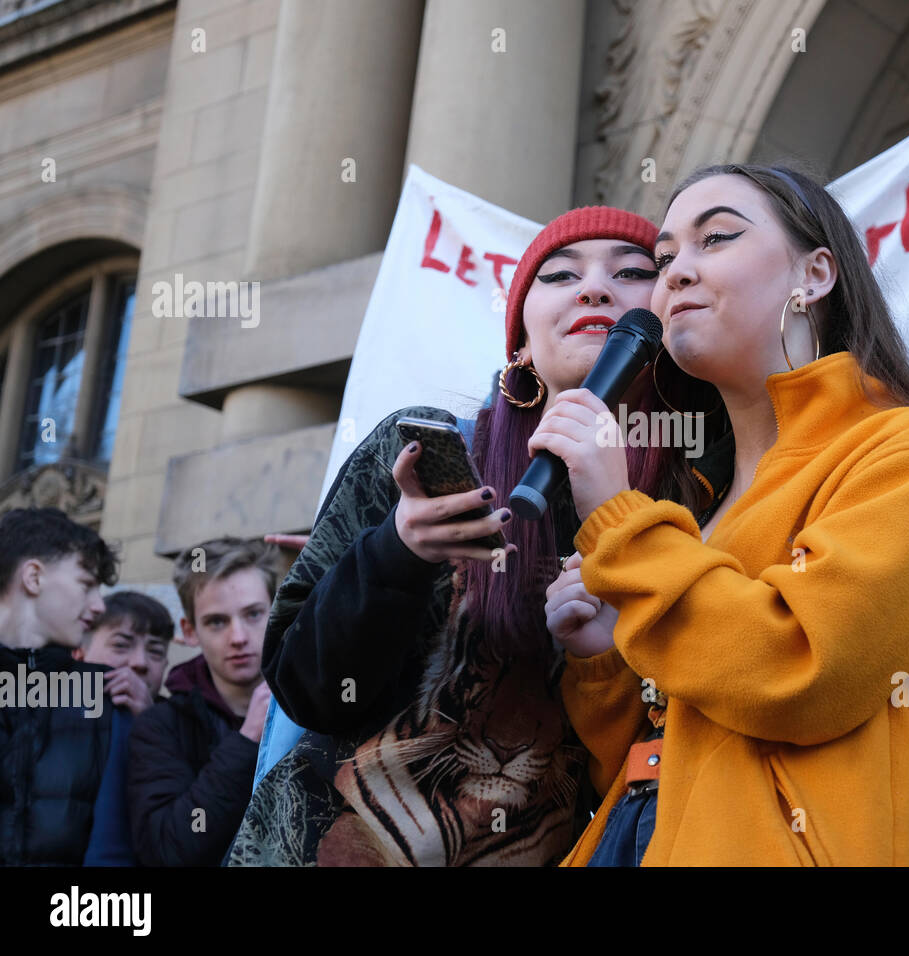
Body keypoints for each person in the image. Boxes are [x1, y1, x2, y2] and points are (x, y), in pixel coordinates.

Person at [534, 164, 909, 866]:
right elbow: (656, 762)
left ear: (816, 274)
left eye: (717, 238)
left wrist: (618, 522)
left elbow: (804, 672)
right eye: (665, 258)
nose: (674, 274)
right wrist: (604, 657)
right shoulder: (698, 502)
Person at [226, 206, 729, 866]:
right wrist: (395, 554)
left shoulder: (703, 497)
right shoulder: (424, 453)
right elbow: (307, 689)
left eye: (633, 272)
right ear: (519, 341)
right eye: (559, 275)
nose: (594, 288)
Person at [125, 537, 278, 865]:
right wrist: (247, 740)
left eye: (253, 614)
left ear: (275, 613)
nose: (238, 637)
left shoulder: (314, 706)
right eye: (217, 622)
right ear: (190, 630)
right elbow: (167, 851)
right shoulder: (161, 726)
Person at [0, 507, 130, 866]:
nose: (99, 606)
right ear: (34, 577)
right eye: (86, 585)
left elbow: (115, 849)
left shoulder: (108, 693)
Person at [74, 590, 172, 715]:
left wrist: (149, 719)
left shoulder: (184, 727)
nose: (140, 662)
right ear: (79, 655)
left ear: (165, 664)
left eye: (155, 651)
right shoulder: (47, 713)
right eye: (120, 645)